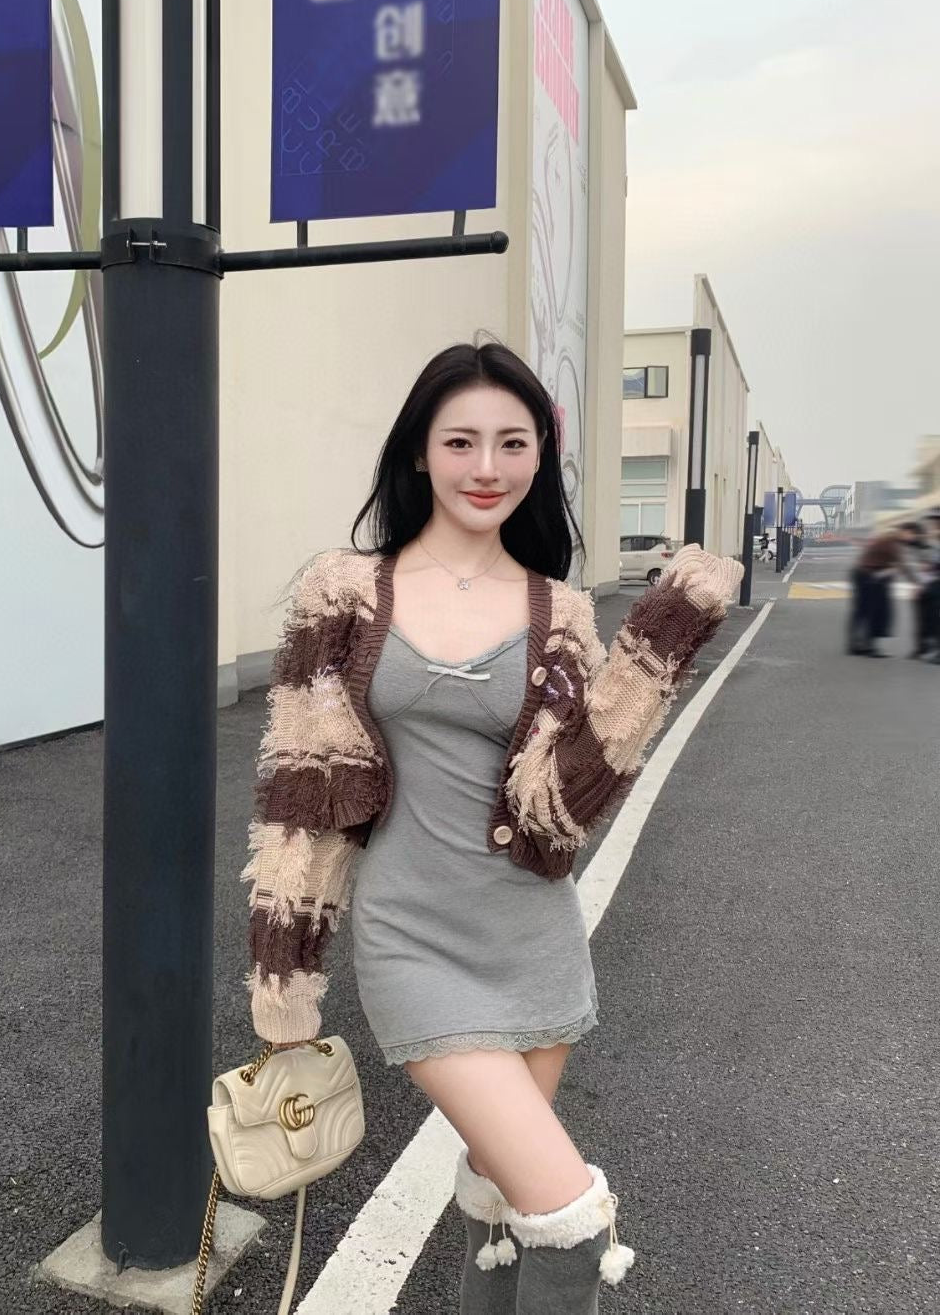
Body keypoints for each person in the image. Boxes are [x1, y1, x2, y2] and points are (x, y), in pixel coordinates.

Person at [240, 340, 743, 1312]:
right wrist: (284, 981)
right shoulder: (343, 590)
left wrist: (661, 645)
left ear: (539, 458)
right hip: (413, 936)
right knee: (572, 1220)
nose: (486, 465)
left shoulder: (560, 610)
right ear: (419, 451)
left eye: (513, 443)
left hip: (531, 940)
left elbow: (562, 804)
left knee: (504, 1201)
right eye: (461, 440)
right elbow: (299, 794)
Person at [847, 519, 923, 657]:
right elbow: (902, 564)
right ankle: (868, 647)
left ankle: (854, 645)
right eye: (913, 535)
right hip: (867, 575)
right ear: (906, 532)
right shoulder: (892, 541)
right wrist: (916, 583)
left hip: (864, 574)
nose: (913, 539)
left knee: (862, 611)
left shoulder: (890, 537)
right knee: (872, 611)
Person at [910, 511, 940, 662]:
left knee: (935, 619)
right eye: (931, 522)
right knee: (925, 618)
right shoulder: (929, 542)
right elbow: (925, 566)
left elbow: (932, 565)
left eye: (935, 522)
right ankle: (923, 649)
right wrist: (919, 585)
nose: (932, 525)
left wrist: (931, 566)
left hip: (936, 584)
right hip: (930, 584)